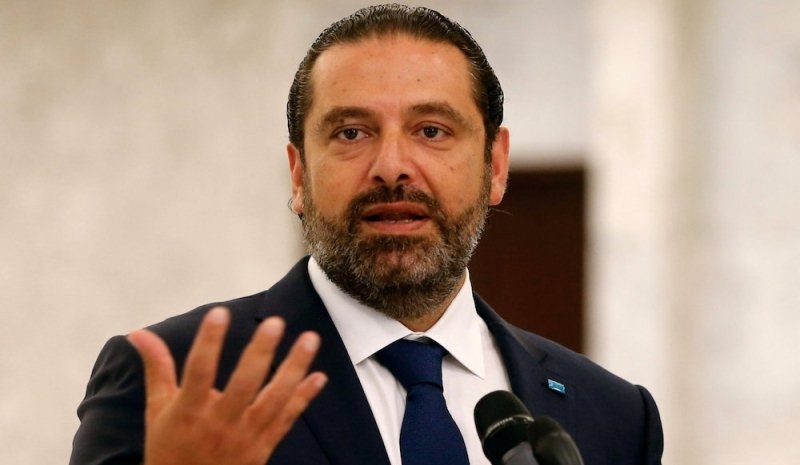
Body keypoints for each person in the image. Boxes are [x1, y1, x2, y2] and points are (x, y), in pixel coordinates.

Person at [70, 4, 664, 465]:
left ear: (496, 165)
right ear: (299, 175)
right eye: (351, 133)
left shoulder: (612, 416)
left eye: (431, 130)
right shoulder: (174, 384)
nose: (392, 167)